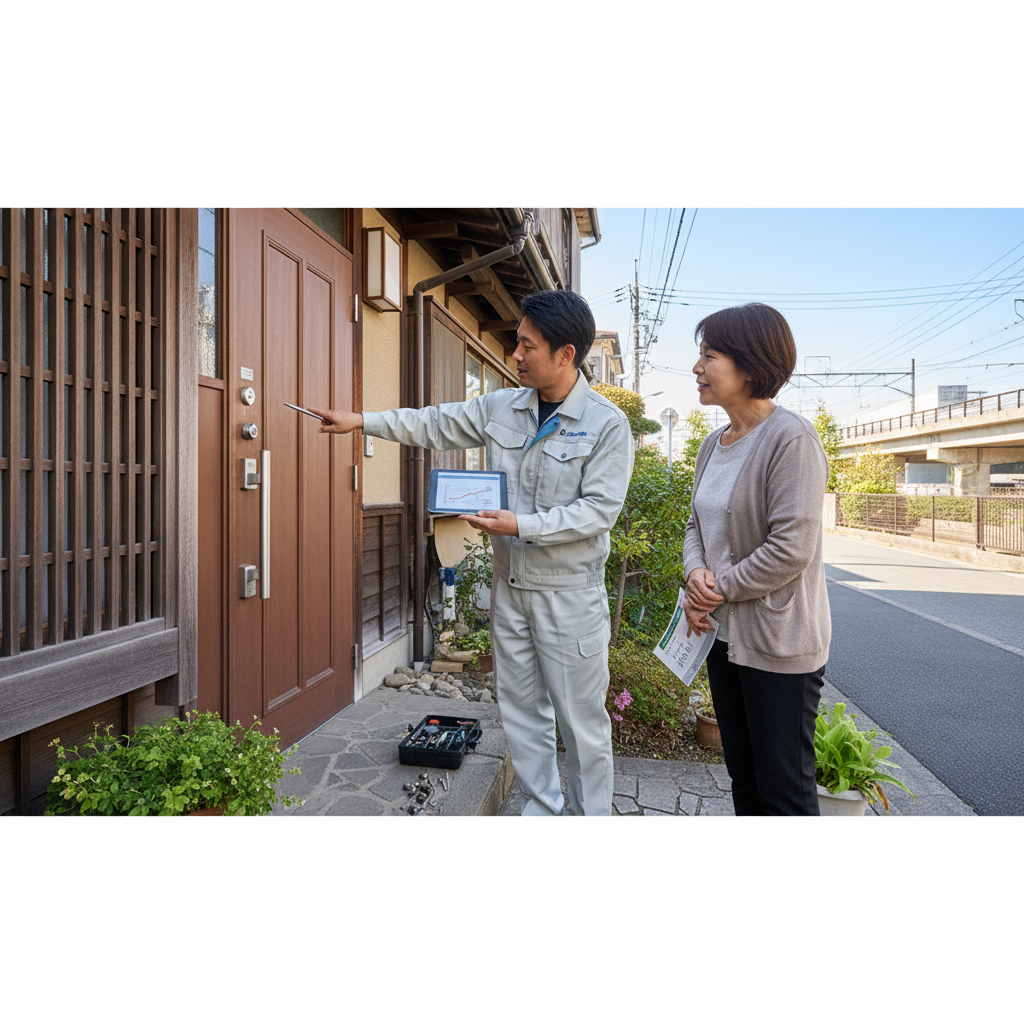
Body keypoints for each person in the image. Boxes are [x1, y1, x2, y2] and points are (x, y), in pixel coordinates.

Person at [309, 289, 635, 815]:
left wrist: (520, 525)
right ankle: (542, 808)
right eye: (516, 342)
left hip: (570, 596)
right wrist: (361, 421)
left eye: (527, 345)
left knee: (582, 724)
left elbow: (597, 512)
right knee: (522, 713)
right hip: (511, 591)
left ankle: (588, 821)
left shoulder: (607, 424)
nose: (515, 354)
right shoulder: (503, 406)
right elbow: (433, 422)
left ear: (566, 354)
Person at [682, 303, 831, 815]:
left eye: (710, 356)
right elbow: (695, 525)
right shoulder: (712, 444)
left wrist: (716, 588)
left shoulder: (792, 439)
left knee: (784, 789)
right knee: (742, 775)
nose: (697, 367)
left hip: (778, 642)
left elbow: (791, 548)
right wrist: (694, 574)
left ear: (749, 364)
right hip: (722, 638)